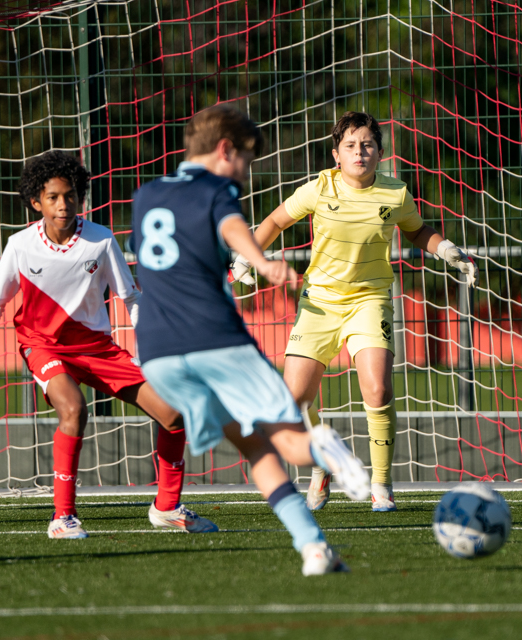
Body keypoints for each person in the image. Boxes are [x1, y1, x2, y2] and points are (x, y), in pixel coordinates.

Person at [131, 104, 370, 575]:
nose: (245, 172)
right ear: (225, 150)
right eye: (245, 159)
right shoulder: (216, 189)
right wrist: (261, 263)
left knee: (254, 447)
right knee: (290, 439)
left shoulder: (146, 194)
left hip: (158, 355)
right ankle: (324, 449)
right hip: (214, 341)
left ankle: (314, 548)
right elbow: (229, 225)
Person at [0, 150, 217, 539]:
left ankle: (166, 507)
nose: (63, 204)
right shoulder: (20, 245)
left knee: (174, 413)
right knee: (74, 409)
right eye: (53, 197)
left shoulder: (101, 240)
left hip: (98, 349)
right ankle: (63, 517)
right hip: (44, 346)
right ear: (36, 202)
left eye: (70, 196)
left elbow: (131, 298)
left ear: (80, 197)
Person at [230, 111, 479, 512]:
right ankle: (322, 461)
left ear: (379, 152)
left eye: (367, 145)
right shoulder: (319, 187)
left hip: (370, 300)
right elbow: (275, 220)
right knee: (294, 400)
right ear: (337, 155)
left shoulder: (395, 193)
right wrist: (247, 257)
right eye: (350, 146)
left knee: (377, 389)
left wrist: (447, 250)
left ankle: (381, 484)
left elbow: (416, 230)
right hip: (319, 303)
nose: (359, 152)